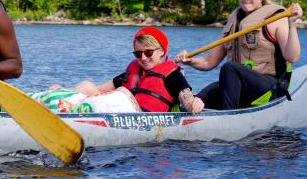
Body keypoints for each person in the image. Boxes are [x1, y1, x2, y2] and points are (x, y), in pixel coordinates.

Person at [175, 0, 303, 110]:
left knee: (229, 68)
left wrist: (292, 24)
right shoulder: (233, 20)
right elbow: (209, 62)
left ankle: (227, 121)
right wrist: (190, 61)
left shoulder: (276, 19)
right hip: (237, 84)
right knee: (197, 101)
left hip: (269, 87)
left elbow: (293, 57)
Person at [34, 27, 204, 114]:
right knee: (87, 84)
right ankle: (47, 99)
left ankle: (63, 110)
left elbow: (187, 99)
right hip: (117, 109)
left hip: (141, 120)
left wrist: (194, 104)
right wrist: (67, 90)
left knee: (122, 90)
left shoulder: (172, 75)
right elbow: (97, 90)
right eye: (138, 53)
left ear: (162, 52)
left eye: (148, 52)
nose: (143, 58)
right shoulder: (133, 71)